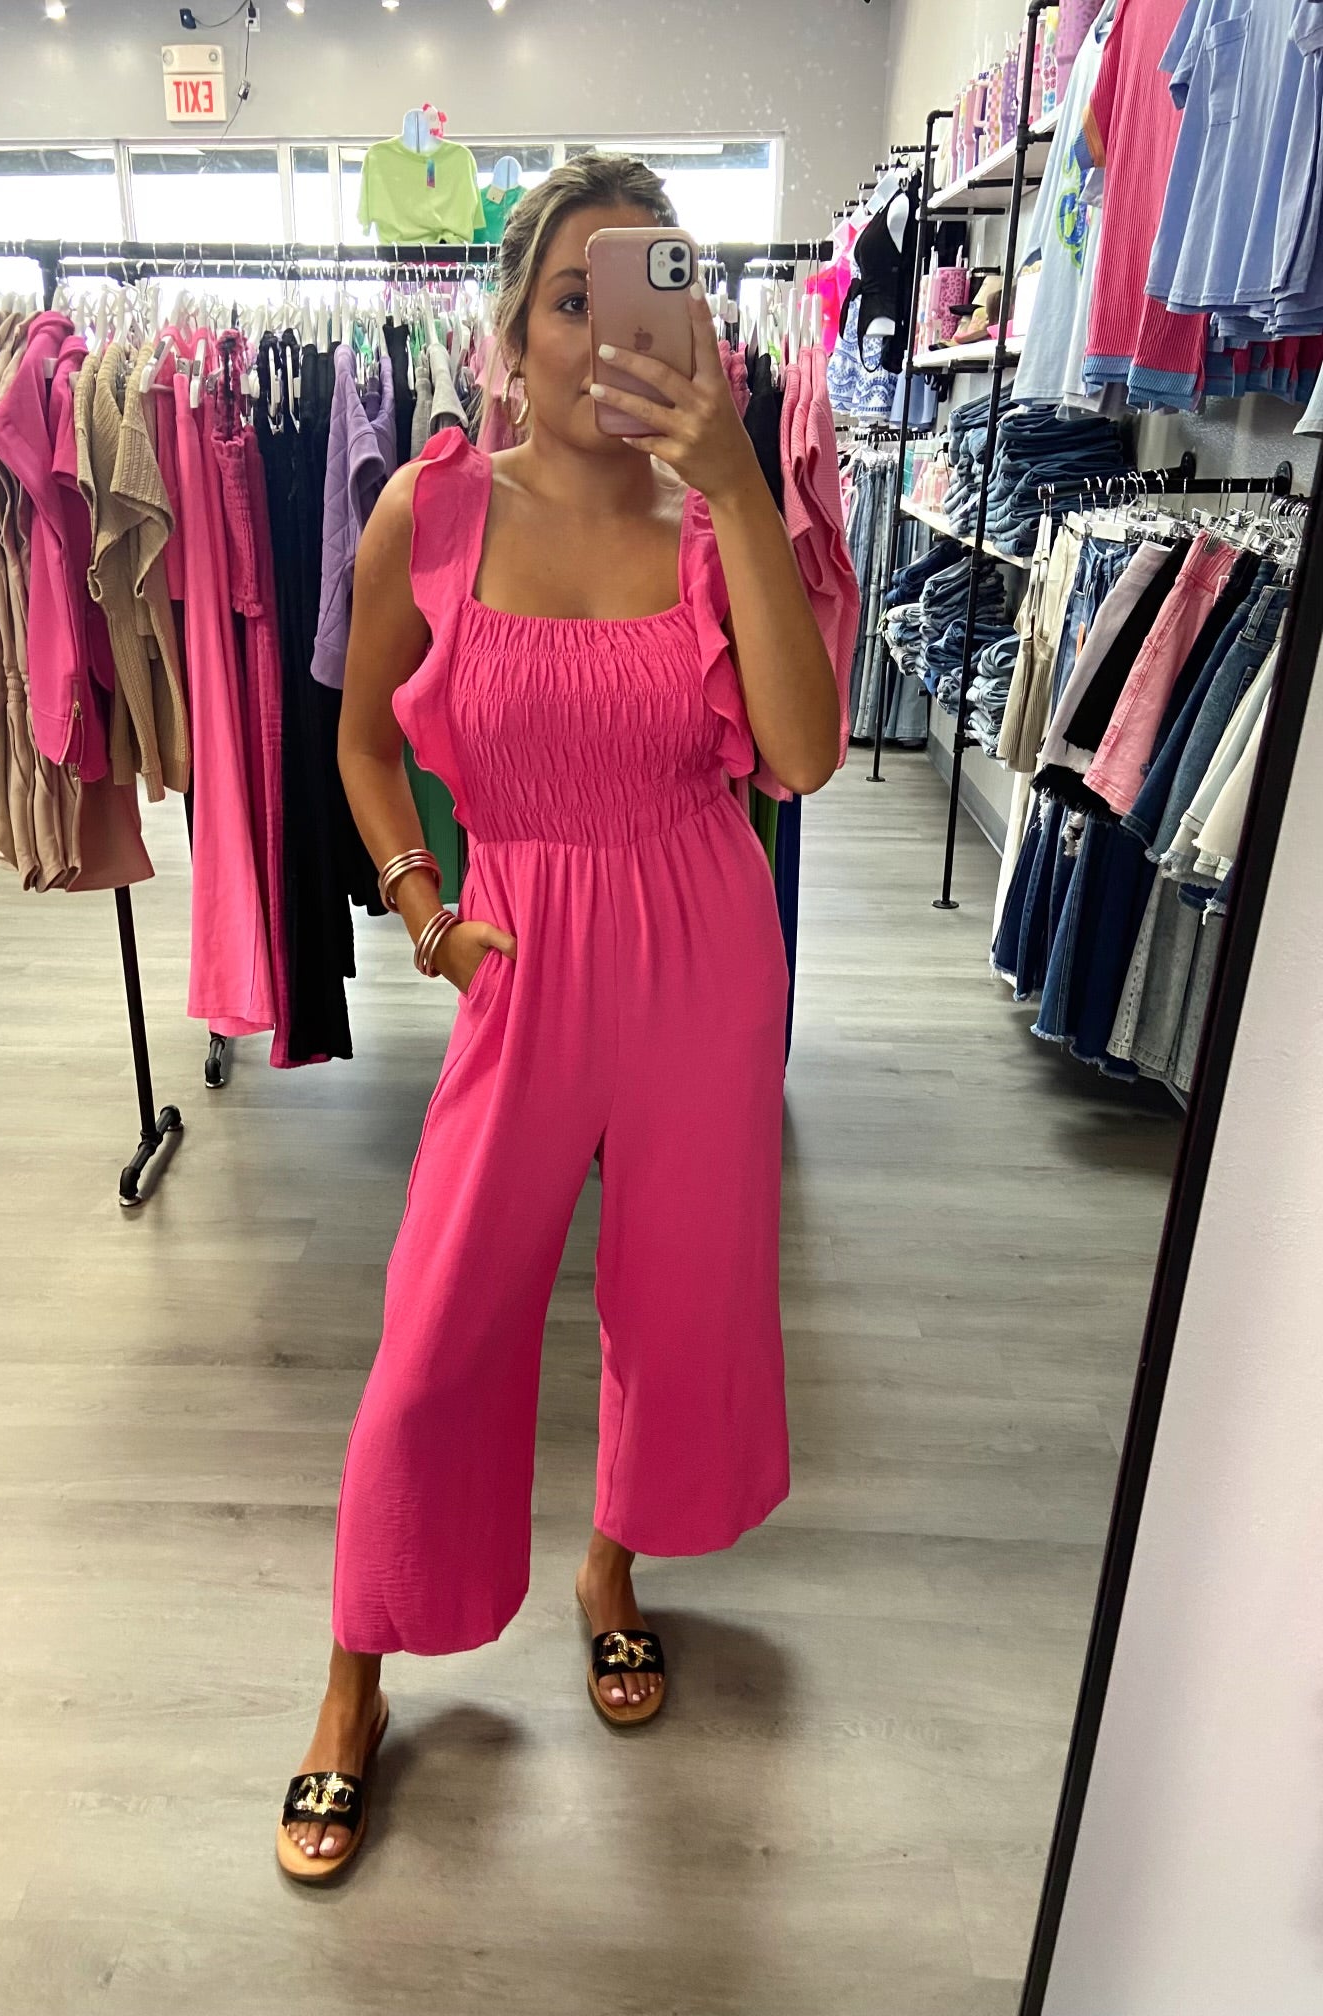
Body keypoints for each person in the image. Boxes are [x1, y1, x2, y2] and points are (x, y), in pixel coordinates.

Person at [277, 153, 840, 1881]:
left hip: (704, 947)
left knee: (678, 1299)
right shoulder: (431, 511)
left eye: (639, 294)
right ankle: (353, 1679)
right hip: (518, 950)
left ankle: (612, 1565)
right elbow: (362, 740)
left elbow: (805, 757)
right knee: (437, 1323)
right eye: (568, 300)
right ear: (511, 328)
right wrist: (423, 912)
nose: (602, 337)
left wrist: (737, 483)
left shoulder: (720, 521)